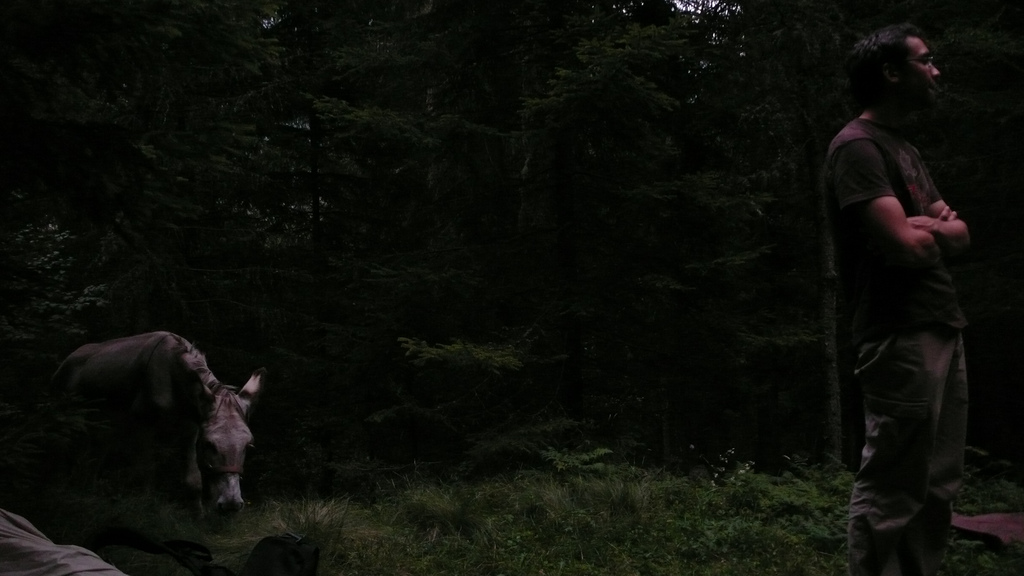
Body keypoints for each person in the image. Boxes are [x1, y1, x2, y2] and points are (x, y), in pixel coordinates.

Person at [824, 23, 971, 576]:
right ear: (890, 72)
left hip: (938, 322)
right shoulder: (857, 148)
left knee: (937, 484)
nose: (935, 72)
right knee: (894, 485)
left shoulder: (903, 148)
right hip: (898, 332)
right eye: (925, 61)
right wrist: (930, 228)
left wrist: (925, 227)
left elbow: (960, 234)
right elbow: (907, 248)